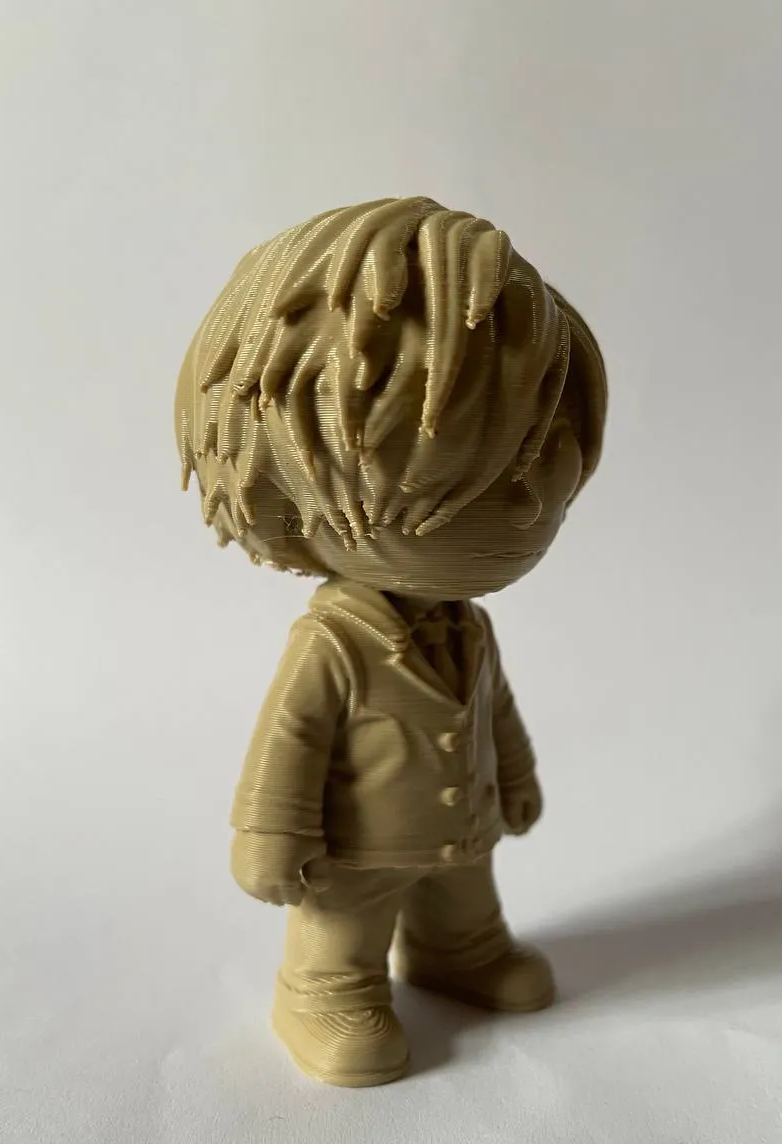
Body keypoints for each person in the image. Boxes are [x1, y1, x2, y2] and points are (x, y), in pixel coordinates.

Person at [175, 196, 607, 1086]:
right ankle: (324, 990)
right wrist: (269, 833)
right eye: (495, 475)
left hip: (460, 832)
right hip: (358, 848)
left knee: (465, 903)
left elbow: (492, 704)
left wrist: (514, 773)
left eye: (544, 464)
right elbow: (291, 739)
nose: (537, 505)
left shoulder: (469, 622)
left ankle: (461, 952)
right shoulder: (332, 642)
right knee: (346, 926)